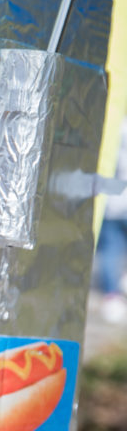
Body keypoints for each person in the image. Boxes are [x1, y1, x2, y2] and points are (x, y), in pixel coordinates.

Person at [96, 116, 127, 323]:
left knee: (110, 250)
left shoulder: (115, 125)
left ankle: (112, 296)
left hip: (112, 200)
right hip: (117, 203)